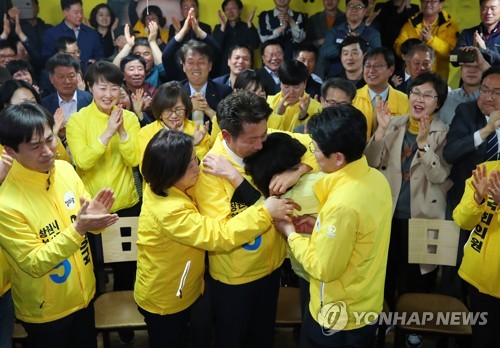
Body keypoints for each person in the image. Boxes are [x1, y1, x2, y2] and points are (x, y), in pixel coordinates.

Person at [135, 129, 295, 348]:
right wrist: (265, 212)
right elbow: (219, 235)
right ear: (171, 172)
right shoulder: (169, 211)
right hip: (166, 299)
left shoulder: (163, 184)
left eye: (195, 158)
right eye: (190, 164)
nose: (197, 166)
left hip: (190, 287)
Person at [194, 90, 317, 348]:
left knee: (262, 339)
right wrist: (266, 212)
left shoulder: (263, 137)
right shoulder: (212, 170)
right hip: (236, 279)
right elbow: (221, 235)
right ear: (227, 136)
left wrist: (299, 169)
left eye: (265, 135)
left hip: (272, 269)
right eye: (254, 140)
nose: (262, 145)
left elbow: (314, 146)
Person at [0, 101, 118, 348]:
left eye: (50, 139)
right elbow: (33, 262)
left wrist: (96, 221)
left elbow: (85, 224)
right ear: (11, 152)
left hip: (85, 297)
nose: (47, 151)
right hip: (46, 313)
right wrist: (79, 230)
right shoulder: (6, 202)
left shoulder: (64, 169)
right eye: (34, 146)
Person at [274, 105, 392, 347]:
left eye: (316, 150)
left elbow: (323, 269)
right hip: (366, 302)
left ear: (338, 158)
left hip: (338, 315)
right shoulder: (376, 179)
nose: (313, 155)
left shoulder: (342, 204)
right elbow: (362, 233)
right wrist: (319, 225)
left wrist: (291, 234)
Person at [365, 71, 450, 347]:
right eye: (415, 92)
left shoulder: (444, 131)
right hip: (388, 214)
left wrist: (424, 145)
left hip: (425, 217)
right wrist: (380, 129)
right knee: (386, 273)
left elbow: (440, 178)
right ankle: (384, 324)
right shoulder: (393, 123)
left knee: (419, 278)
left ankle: (414, 326)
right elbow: (368, 163)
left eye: (427, 95)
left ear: (438, 103)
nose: (419, 99)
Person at [66, 62, 141, 345]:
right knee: (95, 268)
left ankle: (123, 318)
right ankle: (95, 321)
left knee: (127, 269)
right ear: (89, 87)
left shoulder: (130, 119)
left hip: (127, 206)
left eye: (113, 87)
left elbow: (134, 159)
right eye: (101, 87)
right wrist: (108, 132)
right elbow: (83, 160)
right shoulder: (77, 121)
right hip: (93, 211)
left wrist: (121, 131)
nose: (108, 93)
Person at [443, 66, 500, 300]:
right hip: (465, 205)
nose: (488, 96)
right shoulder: (466, 112)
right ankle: (454, 330)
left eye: (496, 92)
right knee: (456, 267)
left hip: (496, 217)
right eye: (484, 90)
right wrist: (486, 131)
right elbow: (450, 153)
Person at [453, 161, 500, 348]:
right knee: (481, 339)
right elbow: (462, 220)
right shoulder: (485, 170)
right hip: (478, 278)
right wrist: (477, 198)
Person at [137, 81, 210, 162]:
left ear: (186, 109)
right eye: (168, 110)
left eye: (178, 109)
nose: (174, 115)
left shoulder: (199, 130)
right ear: (159, 110)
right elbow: (148, 169)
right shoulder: (146, 133)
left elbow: (205, 164)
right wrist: (188, 145)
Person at [394, 0, 459, 80]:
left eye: (433, 1)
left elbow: (451, 53)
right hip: (412, 80)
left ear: (441, 4)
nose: (428, 4)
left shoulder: (450, 27)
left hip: (437, 80)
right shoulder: (410, 24)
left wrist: (430, 40)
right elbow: (398, 48)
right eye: (425, 0)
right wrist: (416, 44)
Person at [352, 47, 409, 139]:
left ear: (390, 70)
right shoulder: (352, 98)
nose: (371, 70)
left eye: (378, 66)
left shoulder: (405, 100)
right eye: (368, 66)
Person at [320, 0, 381, 78]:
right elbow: (324, 52)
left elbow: (377, 56)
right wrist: (344, 44)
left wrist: (359, 43)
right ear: (346, 9)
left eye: (359, 6)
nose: (354, 10)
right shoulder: (335, 30)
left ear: (365, 10)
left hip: (363, 79)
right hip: (336, 78)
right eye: (351, 6)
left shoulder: (373, 33)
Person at [178, 40, 232, 130]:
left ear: (210, 66)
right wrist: (188, 109)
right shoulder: (176, 92)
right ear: (183, 66)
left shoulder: (225, 92)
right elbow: (168, 124)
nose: (196, 67)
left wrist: (208, 110)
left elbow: (231, 126)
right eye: (190, 62)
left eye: (201, 62)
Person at [42, 0, 104, 73]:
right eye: (76, 13)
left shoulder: (92, 33)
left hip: (89, 77)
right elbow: (47, 60)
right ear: (65, 13)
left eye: (81, 12)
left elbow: (100, 57)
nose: (80, 16)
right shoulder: (51, 34)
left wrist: (95, 63)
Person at [438, 46, 489, 125]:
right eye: (467, 65)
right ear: (461, 68)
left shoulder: (492, 100)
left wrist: (483, 64)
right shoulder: (446, 98)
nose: (471, 70)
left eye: (477, 66)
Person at [267, 60, 322, 132]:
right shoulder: (269, 102)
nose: (291, 92)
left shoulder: (317, 108)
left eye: (296, 87)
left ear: (305, 83)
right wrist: (277, 115)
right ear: (280, 83)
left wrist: (303, 117)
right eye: (286, 86)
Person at [213, 0, 260, 76]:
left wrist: (249, 24)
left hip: (245, 68)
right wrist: (222, 28)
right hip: (224, 70)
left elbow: (255, 45)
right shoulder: (219, 28)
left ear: (240, 10)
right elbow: (215, 48)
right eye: (227, 9)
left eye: (233, 8)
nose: (230, 12)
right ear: (224, 12)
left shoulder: (247, 26)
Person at [41, 54, 92, 123]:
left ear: (77, 76)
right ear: (51, 79)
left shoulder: (89, 99)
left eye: (71, 76)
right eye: (61, 77)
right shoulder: (44, 105)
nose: (67, 81)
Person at [113, 22, 165, 87]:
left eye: (146, 54)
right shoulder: (128, 71)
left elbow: (163, 67)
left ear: (153, 55)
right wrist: (129, 45)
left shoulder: (157, 71)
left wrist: (152, 42)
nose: (142, 57)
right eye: (137, 54)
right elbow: (113, 70)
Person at [456, 0, 500, 65]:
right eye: (485, 8)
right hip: (472, 74)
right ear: (480, 10)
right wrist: (473, 52)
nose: (488, 12)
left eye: (493, 8)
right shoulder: (466, 34)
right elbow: (453, 58)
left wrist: (484, 50)